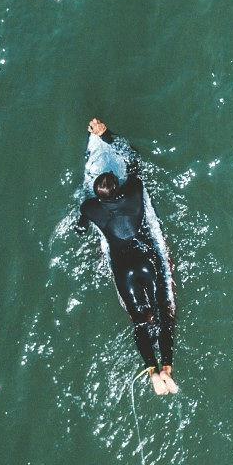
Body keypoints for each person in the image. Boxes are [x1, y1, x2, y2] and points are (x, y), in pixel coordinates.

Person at [75, 118, 179, 395]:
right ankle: (167, 367)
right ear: (118, 188)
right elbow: (133, 162)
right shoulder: (133, 192)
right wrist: (106, 134)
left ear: (98, 195)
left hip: (123, 269)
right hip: (145, 260)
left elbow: (80, 229)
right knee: (164, 314)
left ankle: (152, 371)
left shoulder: (90, 208)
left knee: (141, 322)